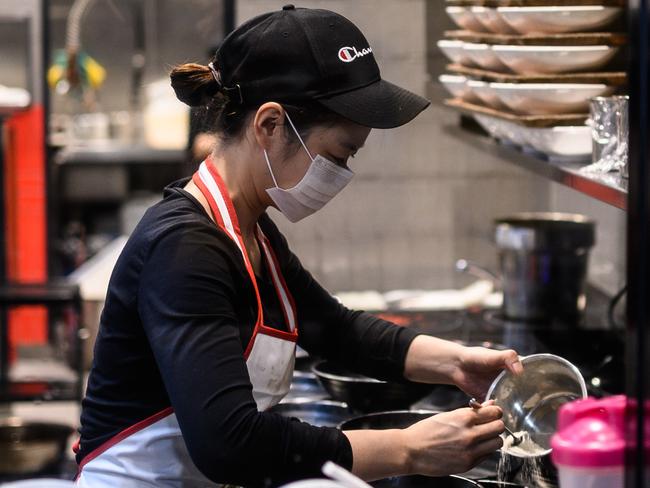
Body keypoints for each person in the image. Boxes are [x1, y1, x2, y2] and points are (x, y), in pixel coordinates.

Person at [74, 5, 523, 487]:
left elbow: (335, 330)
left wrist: (459, 363)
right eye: (338, 154)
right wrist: (409, 448)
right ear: (269, 125)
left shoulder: (251, 230)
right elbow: (229, 443)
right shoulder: (185, 249)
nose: (343, 175)